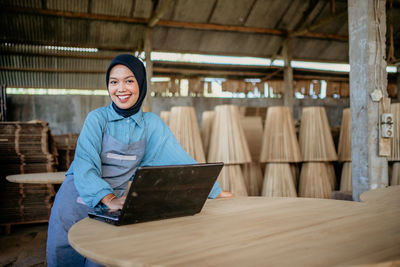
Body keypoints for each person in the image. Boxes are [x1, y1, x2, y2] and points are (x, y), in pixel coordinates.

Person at [46, 54, 232, 266]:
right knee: (65, 257)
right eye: (114, 82)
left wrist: (214, 191)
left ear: (141, 84)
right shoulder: (97, 119)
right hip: (75, 200)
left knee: (102, 259)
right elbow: (85, 165)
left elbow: (180, 162)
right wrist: (108, 199)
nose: (121, 89)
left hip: (114, 205)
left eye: (129, 81)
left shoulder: (150, 124)